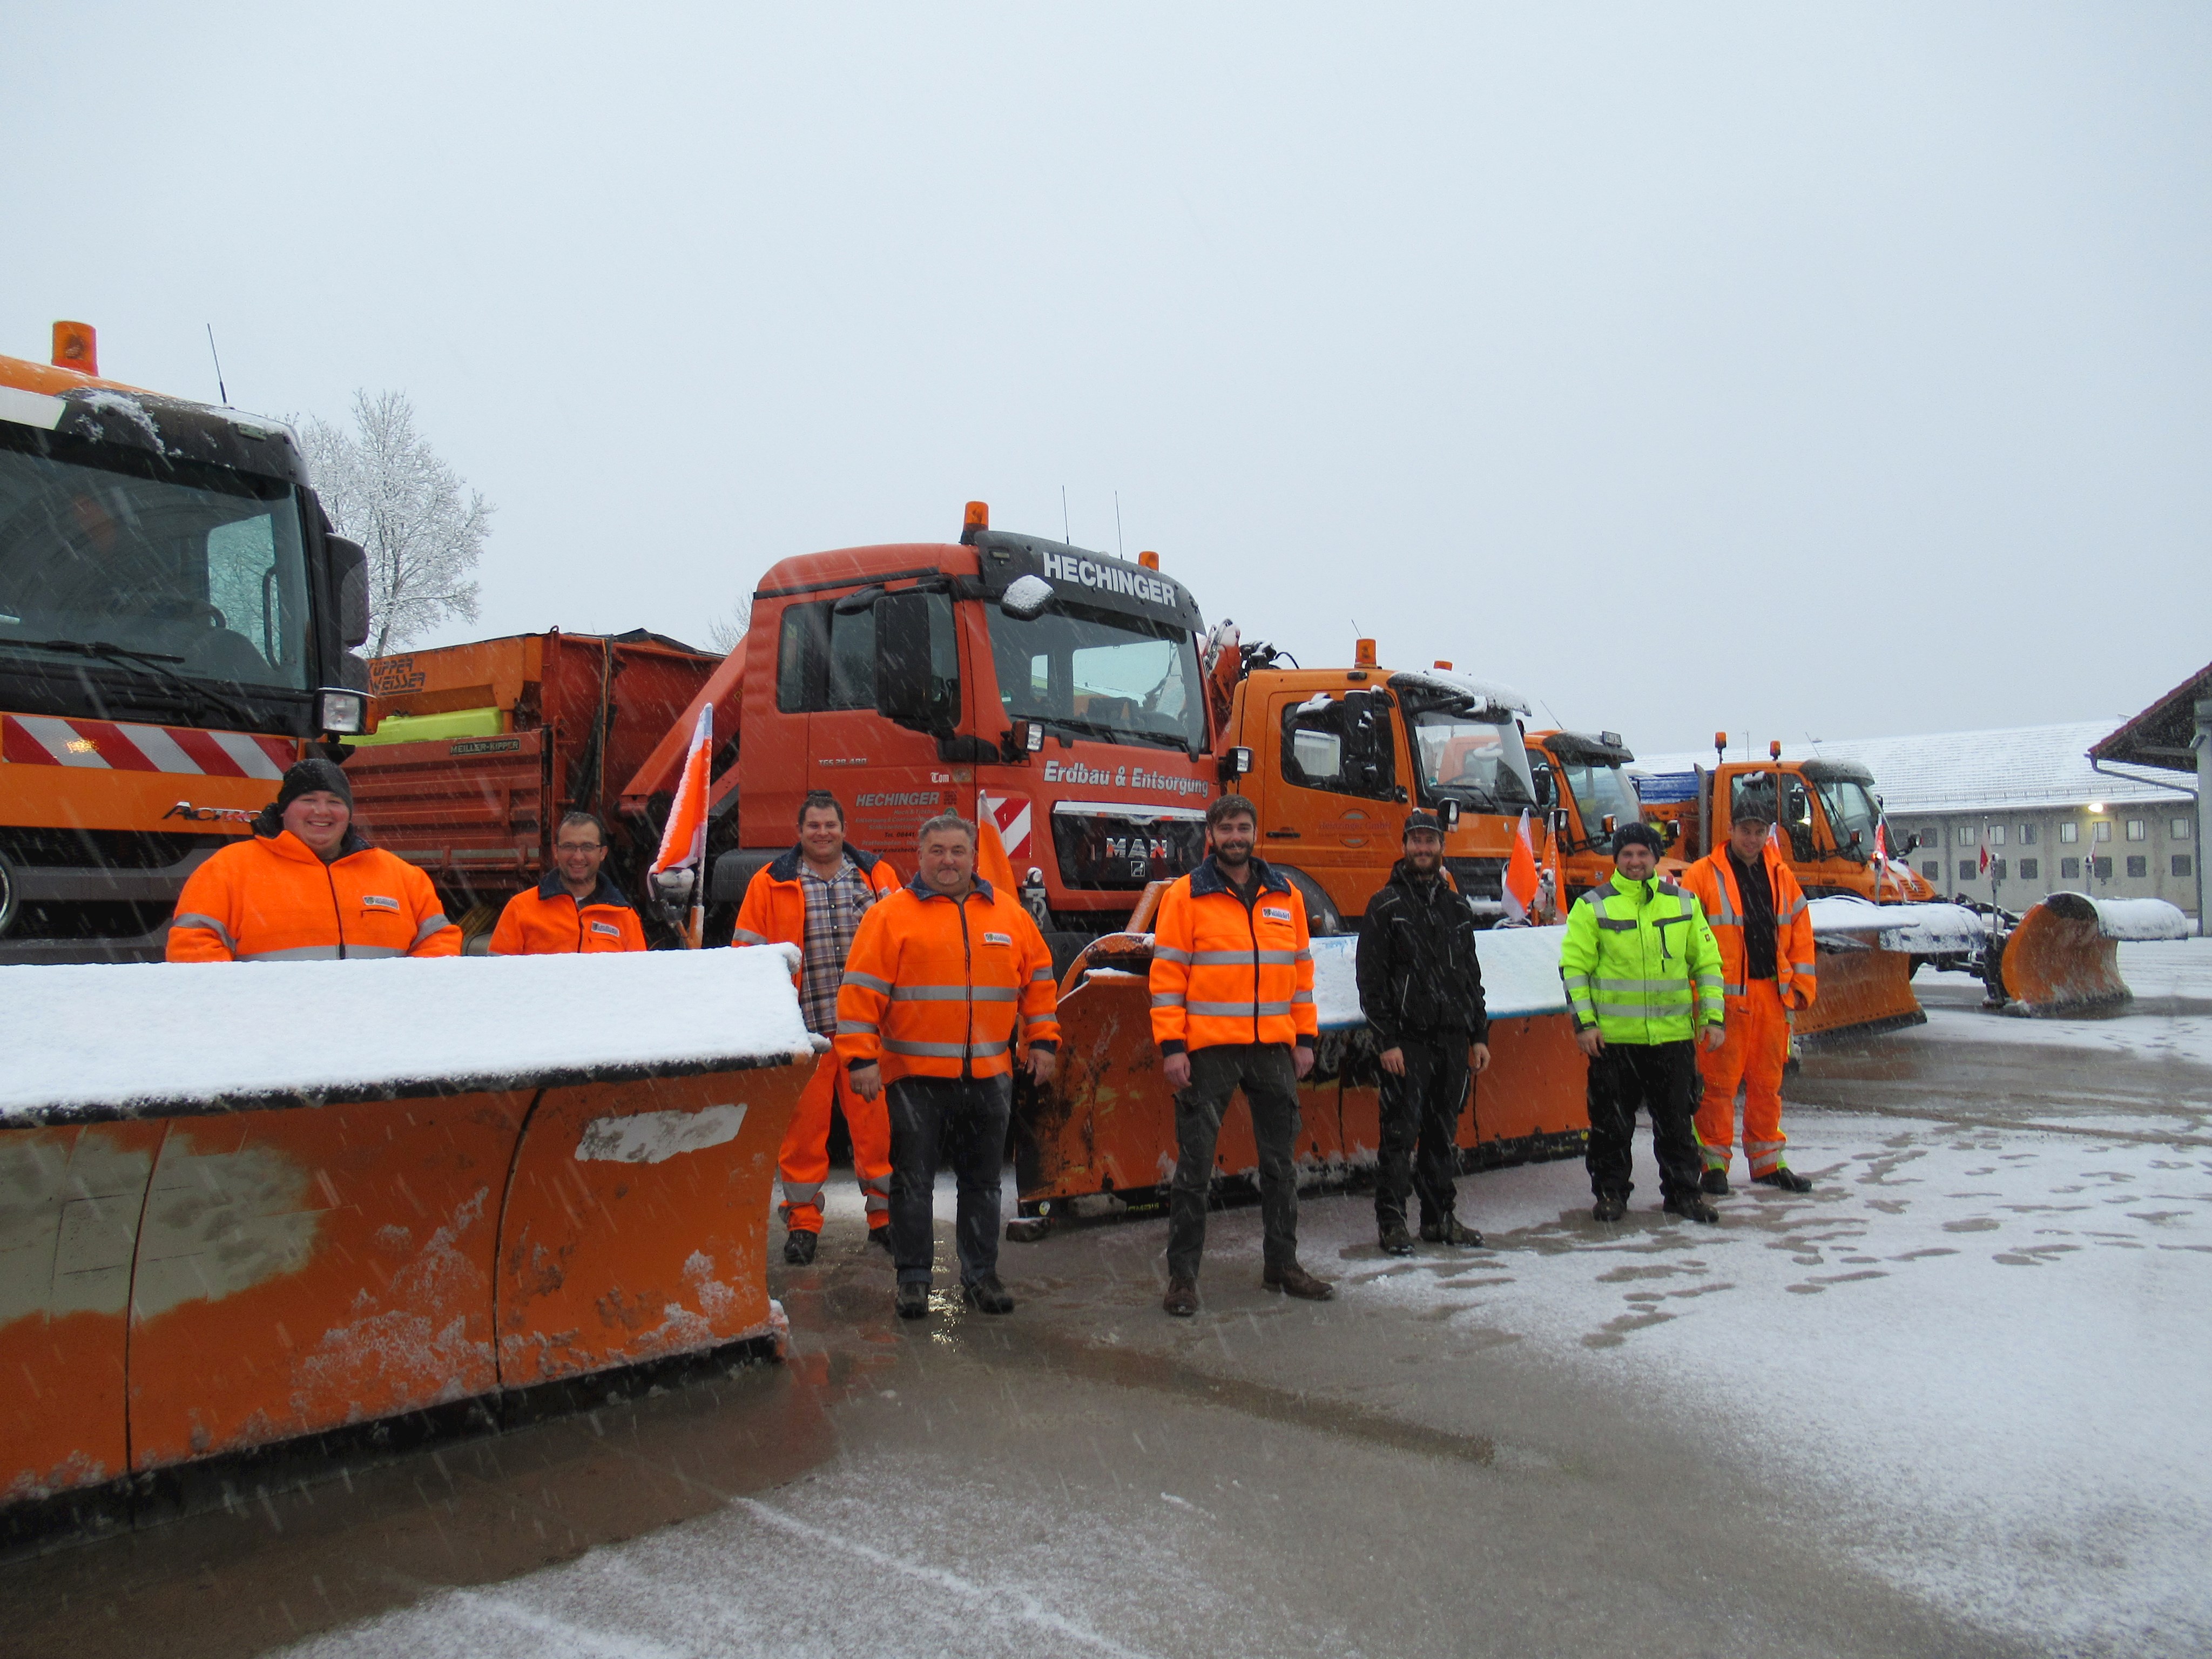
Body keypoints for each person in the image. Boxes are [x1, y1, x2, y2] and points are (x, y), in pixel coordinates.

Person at [835, 814, 1058, 1320]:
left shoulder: (1008, 914)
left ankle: (981, 1277)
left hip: (989, 1076)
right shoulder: (890, 916)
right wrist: (860, 1059)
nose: (948, 861)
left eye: (958, 850)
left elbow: (1039, 981)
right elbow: (860, 992)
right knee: (913, 1183)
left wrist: (1042, 1041)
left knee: (982, 1185)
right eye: (937, 850)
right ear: (920, 855)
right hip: (915, 1080)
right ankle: (914, 1281)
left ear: (973, 857)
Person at [1150, 793, 1332, 1316]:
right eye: (1226, 828)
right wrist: (1173, 1047)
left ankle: (1283, 1264)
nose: (1235, 836)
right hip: (1208, 1054)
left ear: (1257, 832)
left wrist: (1305, 1039)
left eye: (1243, 827)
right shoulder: (1185, 897)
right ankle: (1182, 1279)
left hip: (1273, 1049)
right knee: (1195, 1170)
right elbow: (1167, 981)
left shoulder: (1286, 895)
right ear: (1211, 835)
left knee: (1281, 1166)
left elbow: (1301, 977)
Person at [734, 791, 905, 1264]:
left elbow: (904, 943)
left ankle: (885, 1219)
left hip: (866, 1034)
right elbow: (749, 956)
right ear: (800, 831)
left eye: (831, 825)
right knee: (802, 1135)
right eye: (814, 826)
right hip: (804, 1032)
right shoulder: (769, 884)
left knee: (877, 1131)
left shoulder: (876, 876)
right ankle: (803, 1224)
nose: (823, 833)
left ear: (844, 829)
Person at [1556, 821, 1725, 1224]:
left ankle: (1684, 1194)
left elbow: (1708, 964)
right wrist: (1585, 1025)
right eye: (1627, 855)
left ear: (1655, 858)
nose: (1635, 862)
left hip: (1672, 1039)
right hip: (1614, 1042)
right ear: (1617, 859)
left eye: (1643, 854)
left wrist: (1714, 1017)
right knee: (1611, 1128)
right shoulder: (1592, 906)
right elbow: (1574, 969)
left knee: (1678, 1125)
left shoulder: (1684, 903)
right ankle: (1611, 1194)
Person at [1355, 810, 1491, 1256]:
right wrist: (1387, 1040)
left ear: (1441, 848)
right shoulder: (1386, 907)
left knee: (1442, 1134)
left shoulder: (1457, 908)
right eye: (1415, 841)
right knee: (1399, 1135)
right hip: (1408, 1042)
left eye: (1430, 841)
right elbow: (1371, 983)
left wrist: (1479, 1035)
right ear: (1405, 846)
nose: (1422, 849)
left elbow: (1471, 977)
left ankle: (1438, 1219)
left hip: (1453, 1040)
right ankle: (1392, 1222)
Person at [167, 758, 461, 961]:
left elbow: (439, 943)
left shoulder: (402, 876)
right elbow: (193, 946)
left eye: (335, 802)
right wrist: (241, 1006)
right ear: (283, 811)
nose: (322, 811)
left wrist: (404, 999)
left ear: (348, 813)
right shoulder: (228, 869)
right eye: (308, 800)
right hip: (271, 1031)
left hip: (375, 1029)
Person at [1680, 811, 1818, 1194]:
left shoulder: (1782, 875)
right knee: (1717, 1087)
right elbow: (1686, 937)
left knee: (1767, 1085)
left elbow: (1801, 934)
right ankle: (1713, 1165)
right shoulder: (1702, 875)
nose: (1752, 839)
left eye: (1760, 832)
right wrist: (1697, 994)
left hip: (1771, 997)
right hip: (1721, 1001)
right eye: (1746, 831)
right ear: (1731, 830)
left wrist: (1802, 986)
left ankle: (1768, 1162)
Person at [488, 811, 647, 954]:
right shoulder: (521, 908)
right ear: (556, 852)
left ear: (602, 853)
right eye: (569, 847)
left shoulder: (624, 917)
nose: (578, 857)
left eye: (588, 847)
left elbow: (636, 982)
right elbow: (498, 979)